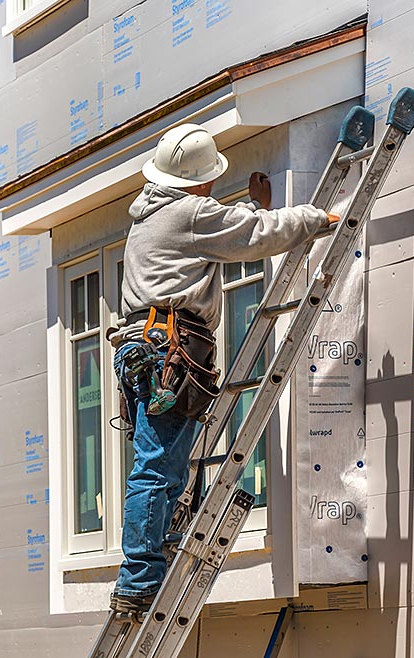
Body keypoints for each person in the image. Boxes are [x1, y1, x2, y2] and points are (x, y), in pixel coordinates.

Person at [108, 123, 337, 613]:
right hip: (167, 347)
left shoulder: (152, 217)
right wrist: (316, 218)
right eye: (210, 179)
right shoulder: (188, 213)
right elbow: (251, 238)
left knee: (161, 466)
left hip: (148, 347)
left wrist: (253, 208)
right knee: (157, 469)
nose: (213, 186)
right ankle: (140, 578)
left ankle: (145, 567)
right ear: (197, 179)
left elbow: (222, 234)